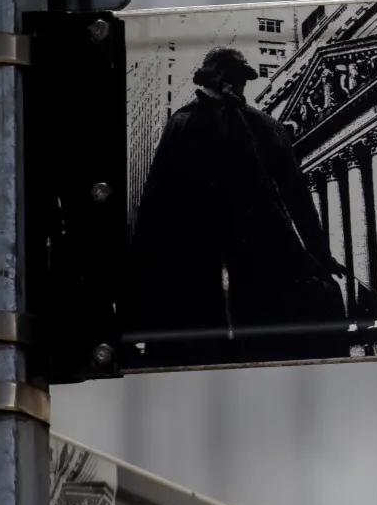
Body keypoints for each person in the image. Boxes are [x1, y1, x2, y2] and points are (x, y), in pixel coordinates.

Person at [127, 46, 347, 341]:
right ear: (214, 79)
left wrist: (320, 254)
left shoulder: (265, 126)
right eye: (232, 77)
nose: (238, 85)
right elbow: (156, 203)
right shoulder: (184, 122)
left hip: (257, 252)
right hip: (202, 255)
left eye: (241, 79)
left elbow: (298, 197)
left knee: (264, 333)